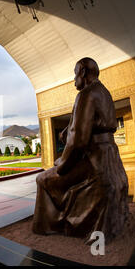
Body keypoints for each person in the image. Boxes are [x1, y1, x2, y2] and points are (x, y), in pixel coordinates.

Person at [32, 58, 129, 242]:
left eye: (75, 73)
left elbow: (79, 141)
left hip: (93, 160)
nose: (74, 78)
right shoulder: (104, 92)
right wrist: (67, 131)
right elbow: (90, 124)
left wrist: (62, 165)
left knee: (43, 179)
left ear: (83, 72)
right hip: (109, 156)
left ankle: (50, 227)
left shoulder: (86, 94)